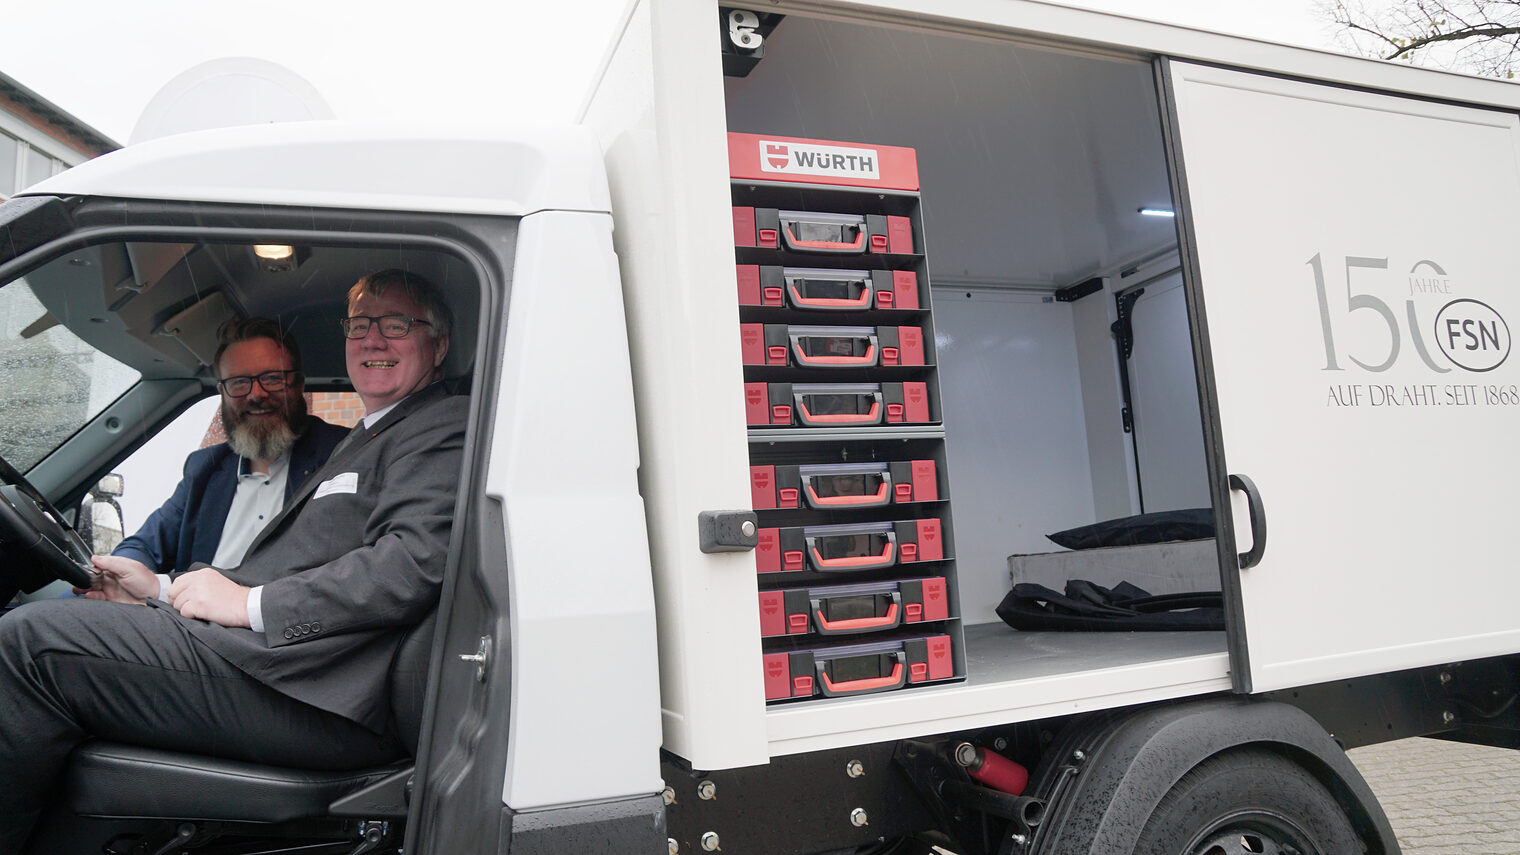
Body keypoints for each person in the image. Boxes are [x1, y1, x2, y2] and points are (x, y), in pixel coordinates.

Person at [0, 268, 469, 854]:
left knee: (29, 643)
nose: (373, 340)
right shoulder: (372, 435)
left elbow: (411, 563)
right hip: (274, 665)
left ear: (439, 345)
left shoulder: (438, 424)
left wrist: (250, 604)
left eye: (396, 325)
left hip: (313, 692)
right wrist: (161, 594)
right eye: (360, 325)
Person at [101, 317, 348, 583]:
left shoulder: (342, 455)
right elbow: (144, 547)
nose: (256, 394)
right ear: (223, 393)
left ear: (299, 385)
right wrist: (116, 573)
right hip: (190, 620)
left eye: (272, 378)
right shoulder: (204, 469)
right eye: (239, 383)